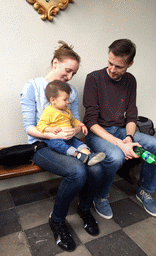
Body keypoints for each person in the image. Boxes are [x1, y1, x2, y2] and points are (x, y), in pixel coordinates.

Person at [20, 41, 103, 252]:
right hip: (42, 145)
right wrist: (52, 132)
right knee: (77, 172)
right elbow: (30, 128)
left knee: (96, 168)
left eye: (73, 73)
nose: (70, 77)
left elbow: (74, 121)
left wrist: (74, 131)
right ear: (55, 63)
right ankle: (57, 220)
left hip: (67, 141)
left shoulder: (71, 92)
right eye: (67, 70)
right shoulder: (32, 87)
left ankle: (84, 208)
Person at [83, 39, 156, 219]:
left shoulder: (130, 81)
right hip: (98, 133)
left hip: (121, 131)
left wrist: (128, 137)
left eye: (118, 66)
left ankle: (144, 191)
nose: (112, 69)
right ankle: (101, 196)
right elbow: (90, 121)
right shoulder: (93, 78)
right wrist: (120, 144)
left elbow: (132, 114)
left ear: (130, 64)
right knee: (116, 155)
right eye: (110, 63)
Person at [37, 80, 106, 166]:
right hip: (56, 139)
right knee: (57, 145)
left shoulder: (67, 111)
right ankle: (77, 154)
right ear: (53, 100)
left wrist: (81, 125)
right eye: (65, 99)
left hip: (70, 138)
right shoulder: (49, 112)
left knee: (79, 143)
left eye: (68, 99)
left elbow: (74, 121)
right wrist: (51, 129)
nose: (68, 102)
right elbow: (40, 125)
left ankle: (90, 156)